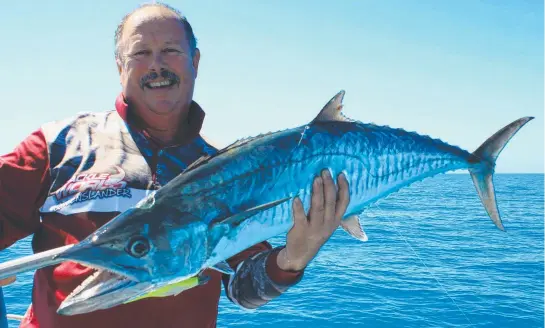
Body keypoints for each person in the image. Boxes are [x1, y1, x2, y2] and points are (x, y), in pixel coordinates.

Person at [0, 3, 349, 328]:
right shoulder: (58, 144)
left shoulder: (234, 172)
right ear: (120, 67)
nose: (156, 65)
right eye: (141, 53)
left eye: (171, 50)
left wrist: (293, 258)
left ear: (194, 61)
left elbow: (245, 289)